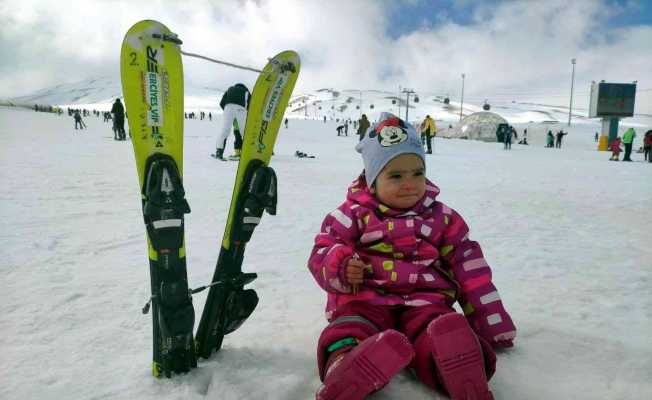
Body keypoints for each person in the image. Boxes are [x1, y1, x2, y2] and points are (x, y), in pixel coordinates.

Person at [308, 112, 516, 400]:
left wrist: (490, 322)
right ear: (371, 180)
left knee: (440, 330)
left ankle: (458, 367)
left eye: (418, 173)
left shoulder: (442, 218)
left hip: (426, 302)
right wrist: (340, 265)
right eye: (395, 175)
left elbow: (469, 269)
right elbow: (324, 248)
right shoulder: (351, 215)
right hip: (366, 299)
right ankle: (345, 364)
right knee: (350, 326)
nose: (410, 183)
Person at [214, 83, 251, 160]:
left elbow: (221, 103)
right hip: (241, 109)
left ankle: (219, 152)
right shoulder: (246, 91)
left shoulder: (229, 89)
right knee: (244, 132)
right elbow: (251, 104)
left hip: (228, 107)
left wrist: (228, 112)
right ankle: (246, 154)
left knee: (225, 131)